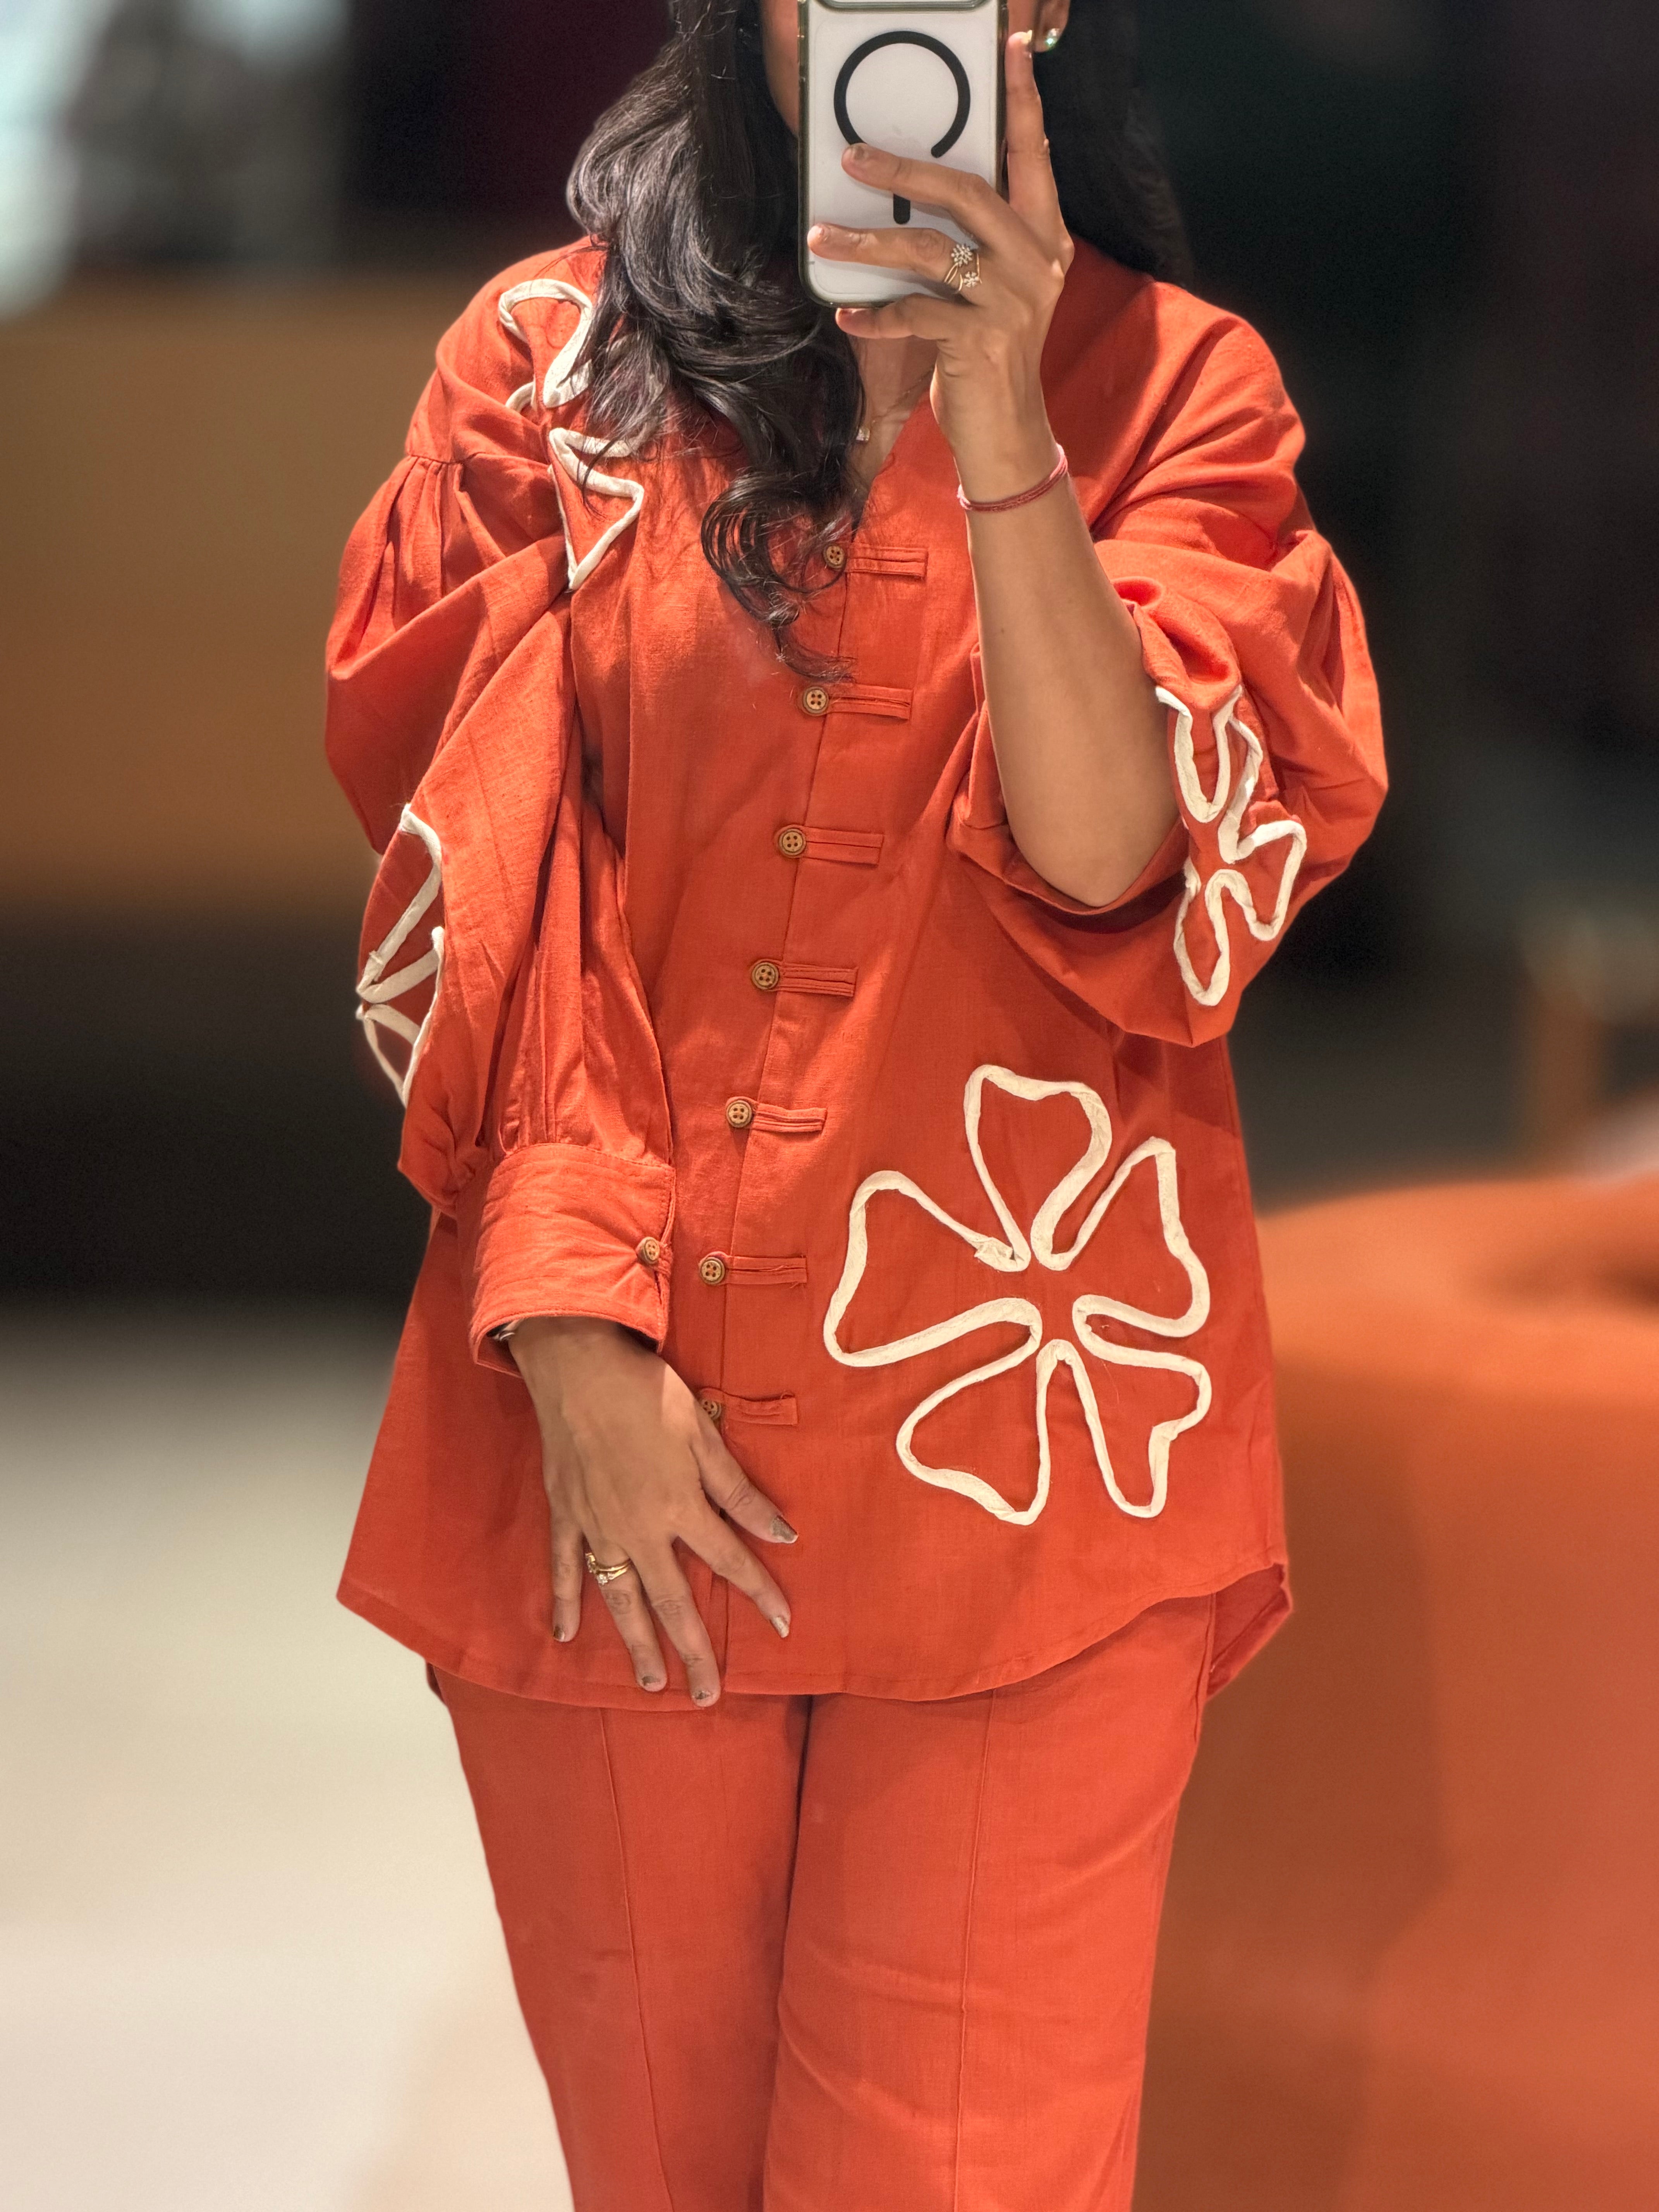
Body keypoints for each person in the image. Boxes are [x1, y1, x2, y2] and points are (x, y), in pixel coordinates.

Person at [325, 0, 1384, 2204]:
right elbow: (481, 859)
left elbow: (1126, 863)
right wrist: (572, 1322)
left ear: (1038, 13)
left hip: (1032, 1472)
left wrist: (1004, 422)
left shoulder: (1183, 391)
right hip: (614, 1437)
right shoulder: (539, 370)